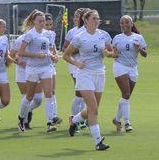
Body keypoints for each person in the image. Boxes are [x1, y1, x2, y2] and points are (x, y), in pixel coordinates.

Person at [63, 9, 113, 151]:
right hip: (85, 74)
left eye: (98, 18)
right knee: (94, 110)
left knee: (92, 109)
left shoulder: (103, 35)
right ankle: (98, 142)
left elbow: (112, 52)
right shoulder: (80, 37)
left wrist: (107, 53)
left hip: (100, 74)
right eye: (94, 18)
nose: (97, 21)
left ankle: (74, 120)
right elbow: (66, 55)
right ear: (86, 20)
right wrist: (77, 63)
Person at [17, 10, 59, 133]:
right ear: (34, 21)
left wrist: (52, 56)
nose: (42, 23)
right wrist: (35, 55)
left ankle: (50, 122)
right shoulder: (29, 35)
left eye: (43, 21)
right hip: (33, 68)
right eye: (40, 21)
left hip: (46, 67)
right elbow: (21, 53)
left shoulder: (49, 34)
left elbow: (48, 50)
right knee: (29, 97)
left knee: (49, 94)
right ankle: (21, 118)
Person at [111, 15, 147, 132]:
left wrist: (139, 49)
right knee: (126, 94)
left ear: (131, 24)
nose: (124, 25)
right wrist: (114, 53)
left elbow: (145, 54)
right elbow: (113, 52)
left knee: (126, 97)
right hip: (120, 66)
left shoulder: (138, 37)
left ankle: (116, 119)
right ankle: (127, 122)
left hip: (133, 68)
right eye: (122, 23)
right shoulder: (117, 37)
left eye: (127, 22)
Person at [62, 8, 87, 122]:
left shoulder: (91, 31)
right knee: (80, 92)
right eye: (75, 16)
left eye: (78, 16)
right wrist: (79, 50)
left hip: (89, 65)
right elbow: (65, 49)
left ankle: (81, 118)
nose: (75, 19)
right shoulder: (72, 32)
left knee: (86, 92)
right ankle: (74, 118)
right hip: (75, 64)